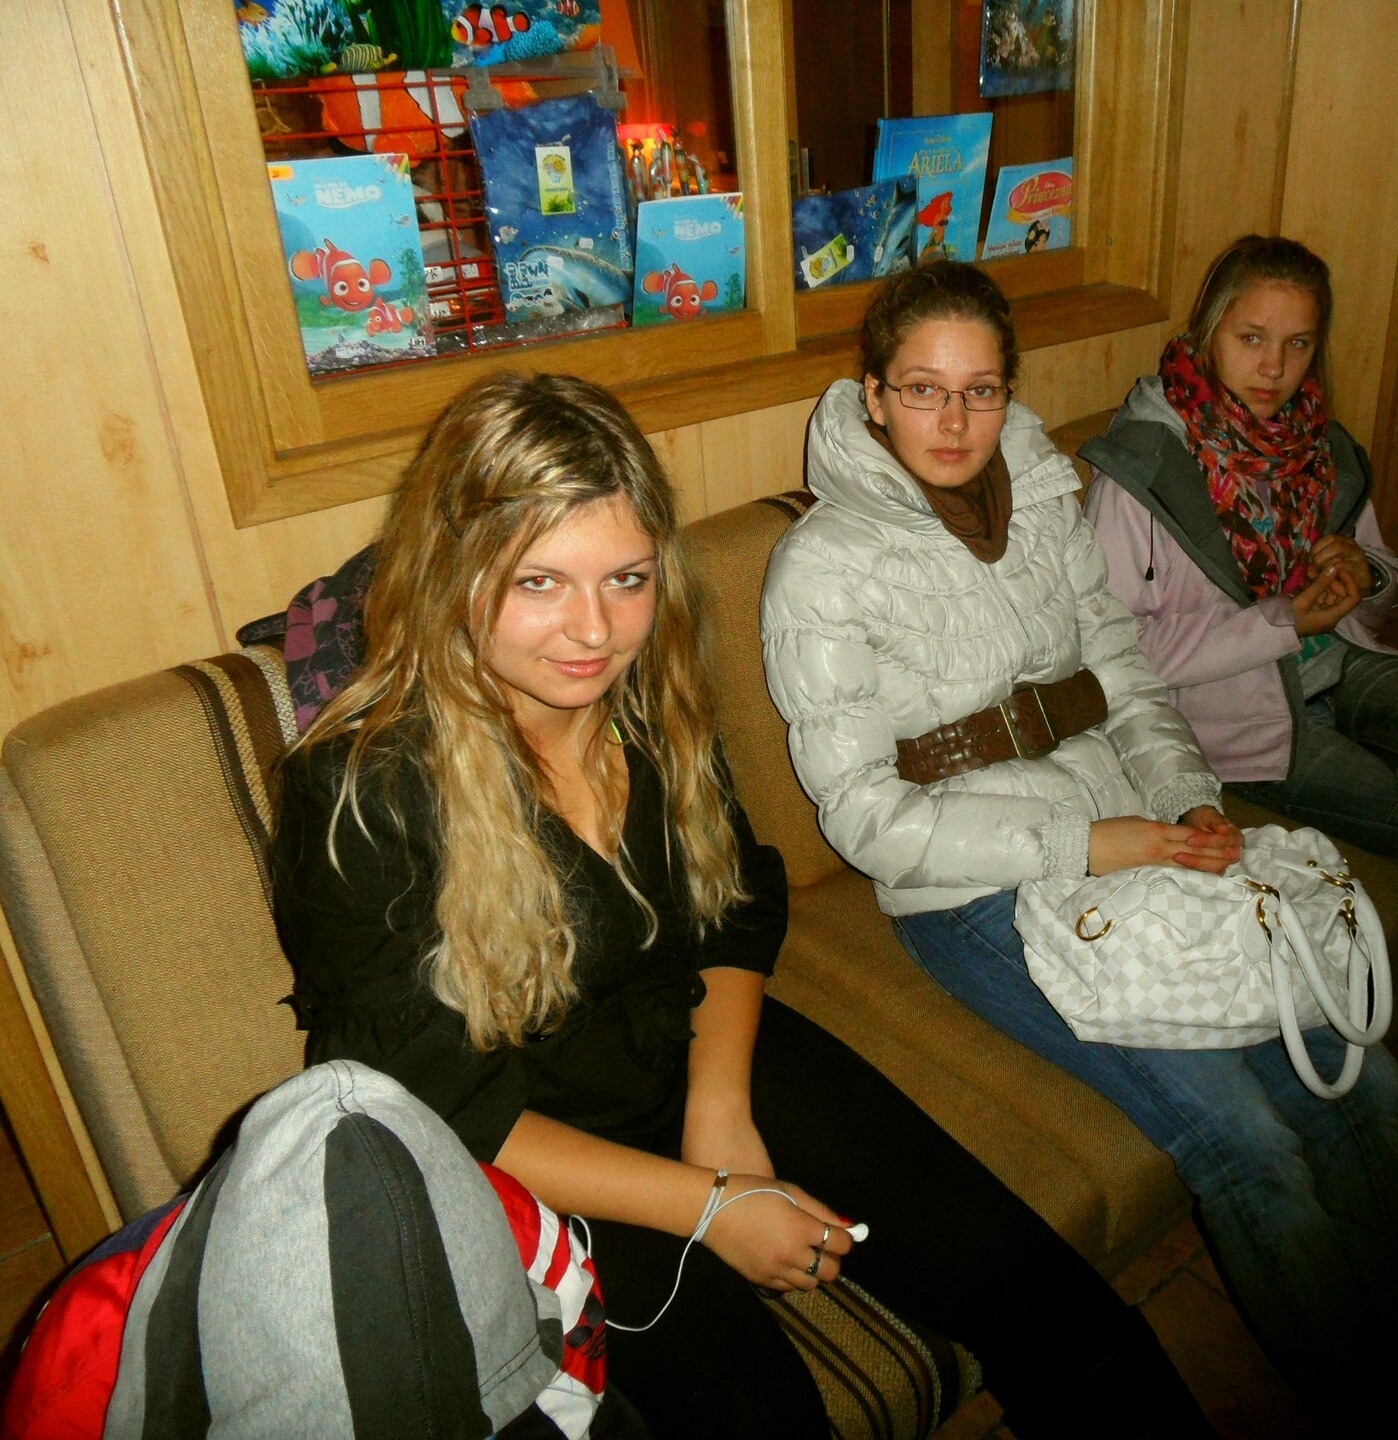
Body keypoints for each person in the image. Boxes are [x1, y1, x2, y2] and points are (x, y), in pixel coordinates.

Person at [271, 371, 1212, 1440]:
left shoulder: (644, 696)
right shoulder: (358, 790)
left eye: (626, 578)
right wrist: (710, 1206)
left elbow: (735, 903)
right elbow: (433, 1103)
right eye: (539, 582)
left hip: (694, 1039)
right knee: (763, 1420)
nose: (593, 631)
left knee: (1033, 1287)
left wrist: (718, 1110)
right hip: (526, 1148)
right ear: (454, 573)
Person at [761, 262, 1398, 1423]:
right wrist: (1093, 843)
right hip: (972, 889)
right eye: (924, 389)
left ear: (1009, 392)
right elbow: (867, 820)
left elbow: (1128, 674)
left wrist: (1192, 803)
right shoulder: (823, 564)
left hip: (1136, 827)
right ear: (876, 395)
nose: (955, 421)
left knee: (1357, 1070)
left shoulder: (1046, 495)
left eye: (981, 389)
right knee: (1242, 1138)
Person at [1080, 234, 1398, 1179]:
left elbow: (1387, 573)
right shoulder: (1142, 467)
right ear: (1206, 333)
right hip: (1246, 725)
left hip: (1349, 662)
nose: (1274, 368)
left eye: (1299, 344)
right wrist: (1284, 621)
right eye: (1251, 338)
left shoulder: (1318, 444)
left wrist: (1365, 573)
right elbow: (1122, 654)